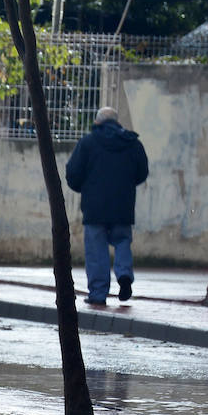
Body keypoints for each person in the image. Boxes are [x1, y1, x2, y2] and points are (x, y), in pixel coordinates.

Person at [65, 106, 149, 306]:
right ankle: (124, 275)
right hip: (123, 205)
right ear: (117, 122)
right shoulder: (132, 143)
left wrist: (82, 187)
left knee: (96, 250)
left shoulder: (88, 143)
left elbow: (73, 173)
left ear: (97, 122)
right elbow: (142, 172)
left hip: (94, 207)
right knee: (122, 241)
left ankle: (98, 293)